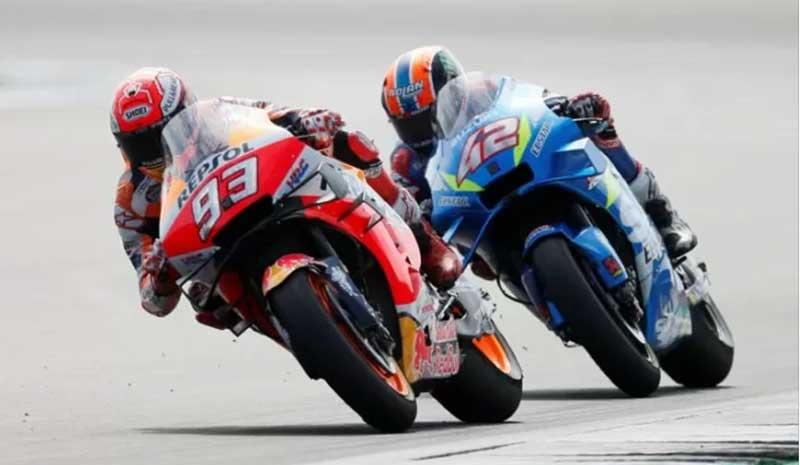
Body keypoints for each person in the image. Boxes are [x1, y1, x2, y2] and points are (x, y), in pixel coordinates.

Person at [111, 67, 460, 319]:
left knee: (352, 144)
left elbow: (271, 115)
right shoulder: (132, 202)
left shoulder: (217, 115)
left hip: (266, 195)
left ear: (187, 111)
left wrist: (307, 119)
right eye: (141, 144)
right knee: (208, 304)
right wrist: (159, 276)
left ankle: (422, 239)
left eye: (160, 135)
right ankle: (305, 328)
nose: (156, 151)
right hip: (218, 252)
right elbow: (153, 301)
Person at [381, 46, 697, 279]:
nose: (423, 132)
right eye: (410, 125)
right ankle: (551, 301)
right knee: (476, 267)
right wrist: (422, 216)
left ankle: (662, 214)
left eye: (429, 116)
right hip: (481, 218)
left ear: (454, 90)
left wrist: (569, 106)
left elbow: (530, 101)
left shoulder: (483, 92)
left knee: (597, 127)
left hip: (525, 168)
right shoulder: (405, 161)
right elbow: (409, 211)